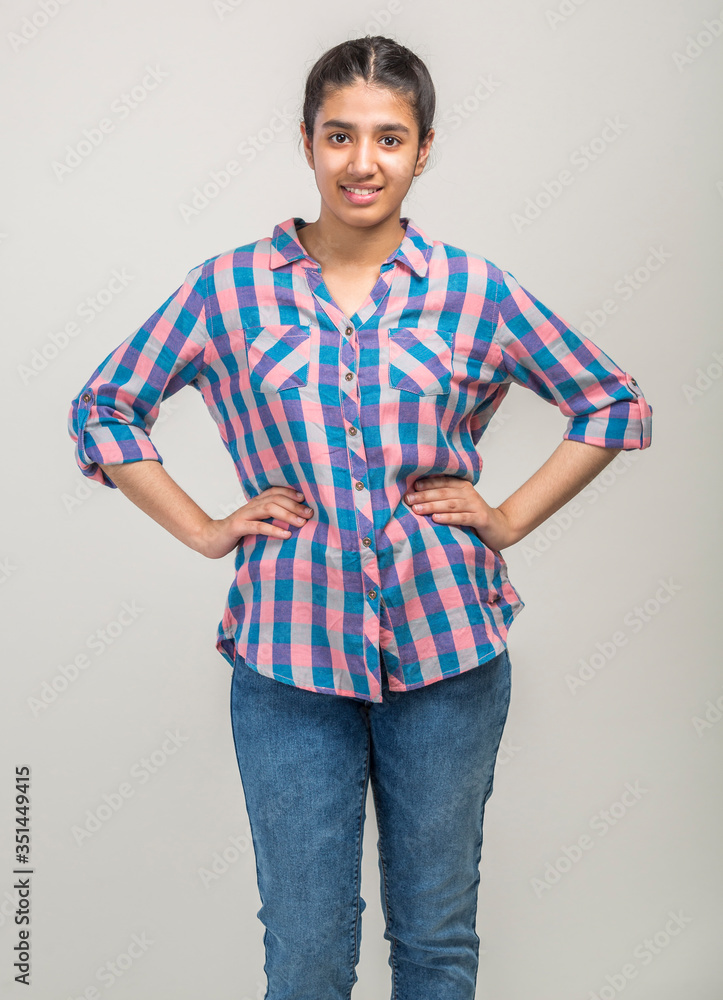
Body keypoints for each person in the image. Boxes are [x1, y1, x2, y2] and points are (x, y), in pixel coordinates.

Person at [67, 33, 653, 1000]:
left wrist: (505, 518)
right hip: (288, 660)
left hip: (449, 651)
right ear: (306, 141)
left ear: (423, 151)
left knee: (434, 941)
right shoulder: (228, 289)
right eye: (340, 135)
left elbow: (612, 402)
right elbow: (105, 407)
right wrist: (208, 529)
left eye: (389, 138)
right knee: (305, 950)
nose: (361, 162)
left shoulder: (473, 291)